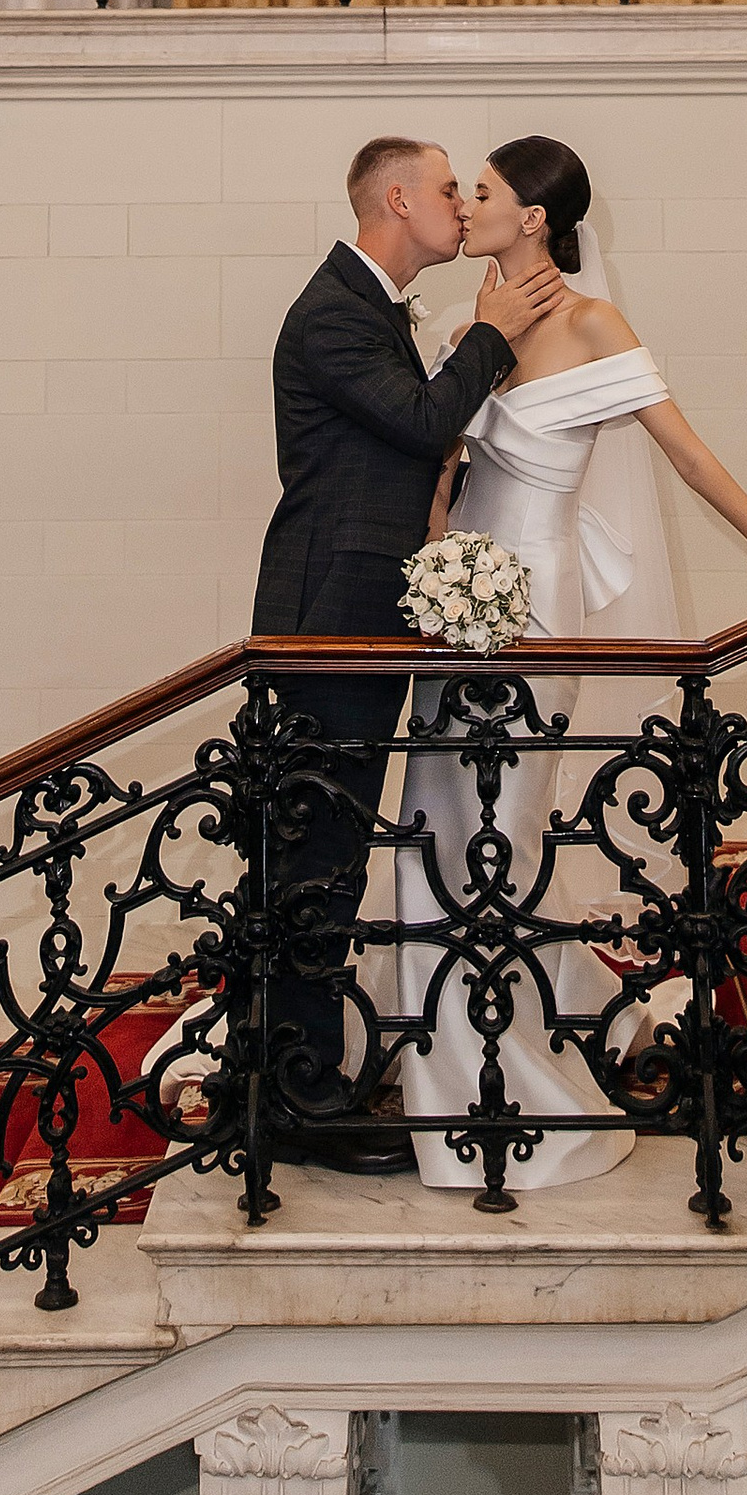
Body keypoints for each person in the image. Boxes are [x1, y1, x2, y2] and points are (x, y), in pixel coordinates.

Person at [393, 135, 747, 1196]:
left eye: (482, 191)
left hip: (536, 603)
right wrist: (426, 573)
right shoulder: (465, 322)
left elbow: (688, 453)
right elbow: (438, 464)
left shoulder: (592, 325)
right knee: (432, 831)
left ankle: (511, 1084)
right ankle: (450, 1072)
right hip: (453, 600)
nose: (465, 205)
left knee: (500, 836)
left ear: (534, 216)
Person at [248, 132, 566, 1170]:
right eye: (444, 189)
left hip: (360, 612)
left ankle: (297, 1079)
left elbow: (409, 449)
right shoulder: (335, 313)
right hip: (328, 618)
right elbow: (423, 419)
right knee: (313, 858)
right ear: (395, 200)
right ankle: (297, 1101)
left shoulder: (374, 306)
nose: (460, 206)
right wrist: (493, 335)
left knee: (328, 853)